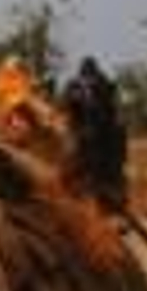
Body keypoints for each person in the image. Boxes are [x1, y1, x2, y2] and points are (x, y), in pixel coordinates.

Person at [62, 57, 126, 208]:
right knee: (86, 165)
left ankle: (105, 195)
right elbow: (71, 105)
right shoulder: (77, 86)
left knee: (101, 166)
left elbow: (109, 109)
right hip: (88, 133)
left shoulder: (100, 84)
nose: (89, 79)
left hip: (97, 134)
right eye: (89, 75)